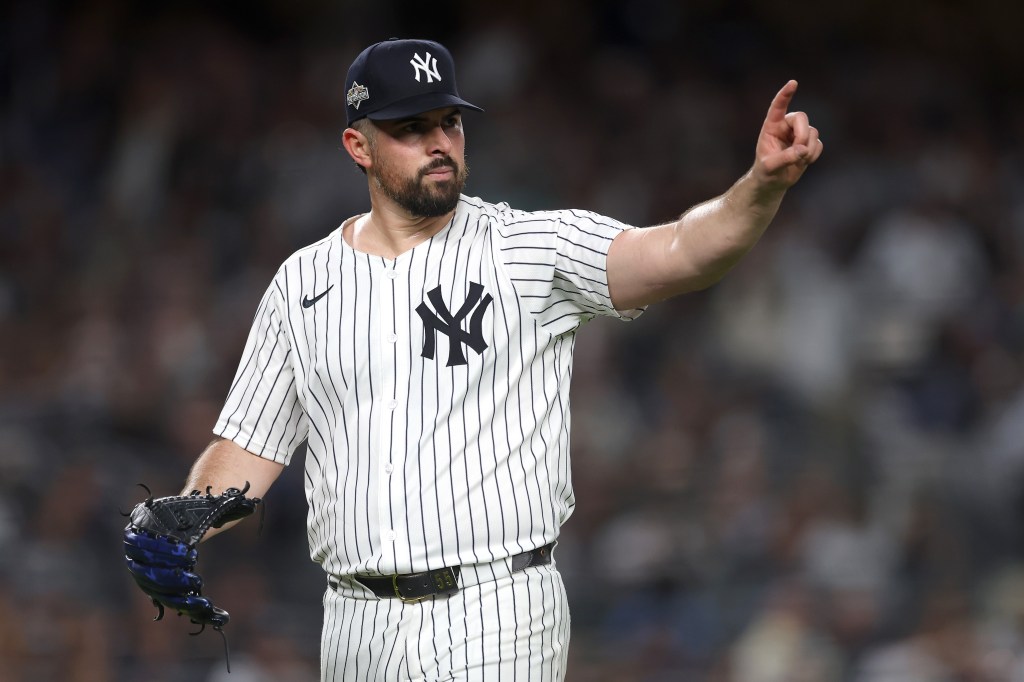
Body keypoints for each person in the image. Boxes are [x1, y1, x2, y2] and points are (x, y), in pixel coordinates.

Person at [133, 37, 822, 681]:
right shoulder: (301, 284)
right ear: (357, 145)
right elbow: (246, 453)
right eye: (411, 129)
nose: (438, 144)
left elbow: (682, 252)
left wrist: (759, 186)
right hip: (352, 621)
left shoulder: (528, 250)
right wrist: (182, 521)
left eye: (449, 123)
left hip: (496, 609)